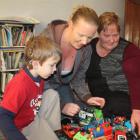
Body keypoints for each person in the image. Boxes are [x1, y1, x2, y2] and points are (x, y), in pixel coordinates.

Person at [40, 5, 105, 117]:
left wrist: (87, 97)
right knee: (53, 117)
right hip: (40, 87)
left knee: (76, 114)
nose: (85, 42)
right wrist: (61, 105)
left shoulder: (86, 50)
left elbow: (78, 79)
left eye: (90, 37)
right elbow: (38, 79)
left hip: (62, 86)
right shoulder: (47, 40)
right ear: (70, 23)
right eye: (80, 35)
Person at [86, 12, 140, 135]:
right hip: (97, 99)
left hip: (124, 98)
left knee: (112, 105)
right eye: (107, 35)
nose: (111, 40)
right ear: (98, 33)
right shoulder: (89, 47)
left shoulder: (129, 49)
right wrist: (86, 96)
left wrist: (137, 110)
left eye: (115, 35)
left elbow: (137, 81)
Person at [0, 36, 62, 140]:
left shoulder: (39, 76)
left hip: (30, 118)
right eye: (52, 65)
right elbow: (3, 116)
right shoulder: (20, 85)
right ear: (36, 64)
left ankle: (52, 131)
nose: (55, 69)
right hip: (18, 127)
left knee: (52, 94)